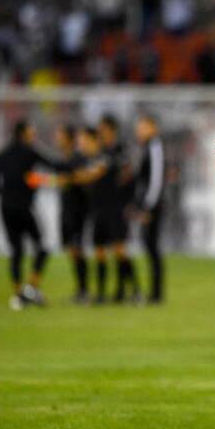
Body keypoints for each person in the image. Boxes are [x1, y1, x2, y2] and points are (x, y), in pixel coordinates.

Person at [0, 120, 67, 310]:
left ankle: (17, 295)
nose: (34, 135)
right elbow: (53, 164)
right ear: (23, 133)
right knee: (42, 245)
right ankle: (31, 287)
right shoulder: (29, 152)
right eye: (31, 131)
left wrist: (4, 193)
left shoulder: (3, 154)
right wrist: (72, 167)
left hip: (5, 207)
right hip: (24, 207)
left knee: (16, 250)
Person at [73, 126, 138, 305]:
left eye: (84, 140)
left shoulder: (105, 156)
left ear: (94, 140)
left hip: (113, 211)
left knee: (120, 251)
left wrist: (71, 178)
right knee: (100, 252)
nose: (81, 144)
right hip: (98, 211)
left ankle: (135, 291)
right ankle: (101, 294)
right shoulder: (89, 159)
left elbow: (92, 175)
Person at [98, 114, 140, 302]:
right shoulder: (101, 150)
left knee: (120, 249)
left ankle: (134, 289)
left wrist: (118, 184)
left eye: (104, 130)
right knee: (104, 249)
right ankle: (116, 292)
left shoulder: (120, 150)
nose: (102, 133)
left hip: (118, 206)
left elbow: (128, 174)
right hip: (102, 206)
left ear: (112, 130)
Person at [54, 124, 90, 303]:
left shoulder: (77, 157)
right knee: (71, 249)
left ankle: (84, 291)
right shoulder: (63, 157)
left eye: (60, 135)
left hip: (77, 210)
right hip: (66, 209)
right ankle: (80, 290)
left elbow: (83, 178)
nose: (57, 138)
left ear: (69, 137)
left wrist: (68, 179)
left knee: (77, 249)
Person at [132, 114, 166, 303]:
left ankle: (156, 294)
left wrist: (147, 208)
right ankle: (154, 293)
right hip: (149, 206)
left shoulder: (154, 146)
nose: (139, 131)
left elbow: (156, 181)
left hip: (153, 207)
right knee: (150, 247)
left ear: (153, 127)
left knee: (152, 248)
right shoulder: (148, 146)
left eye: (142, 127)